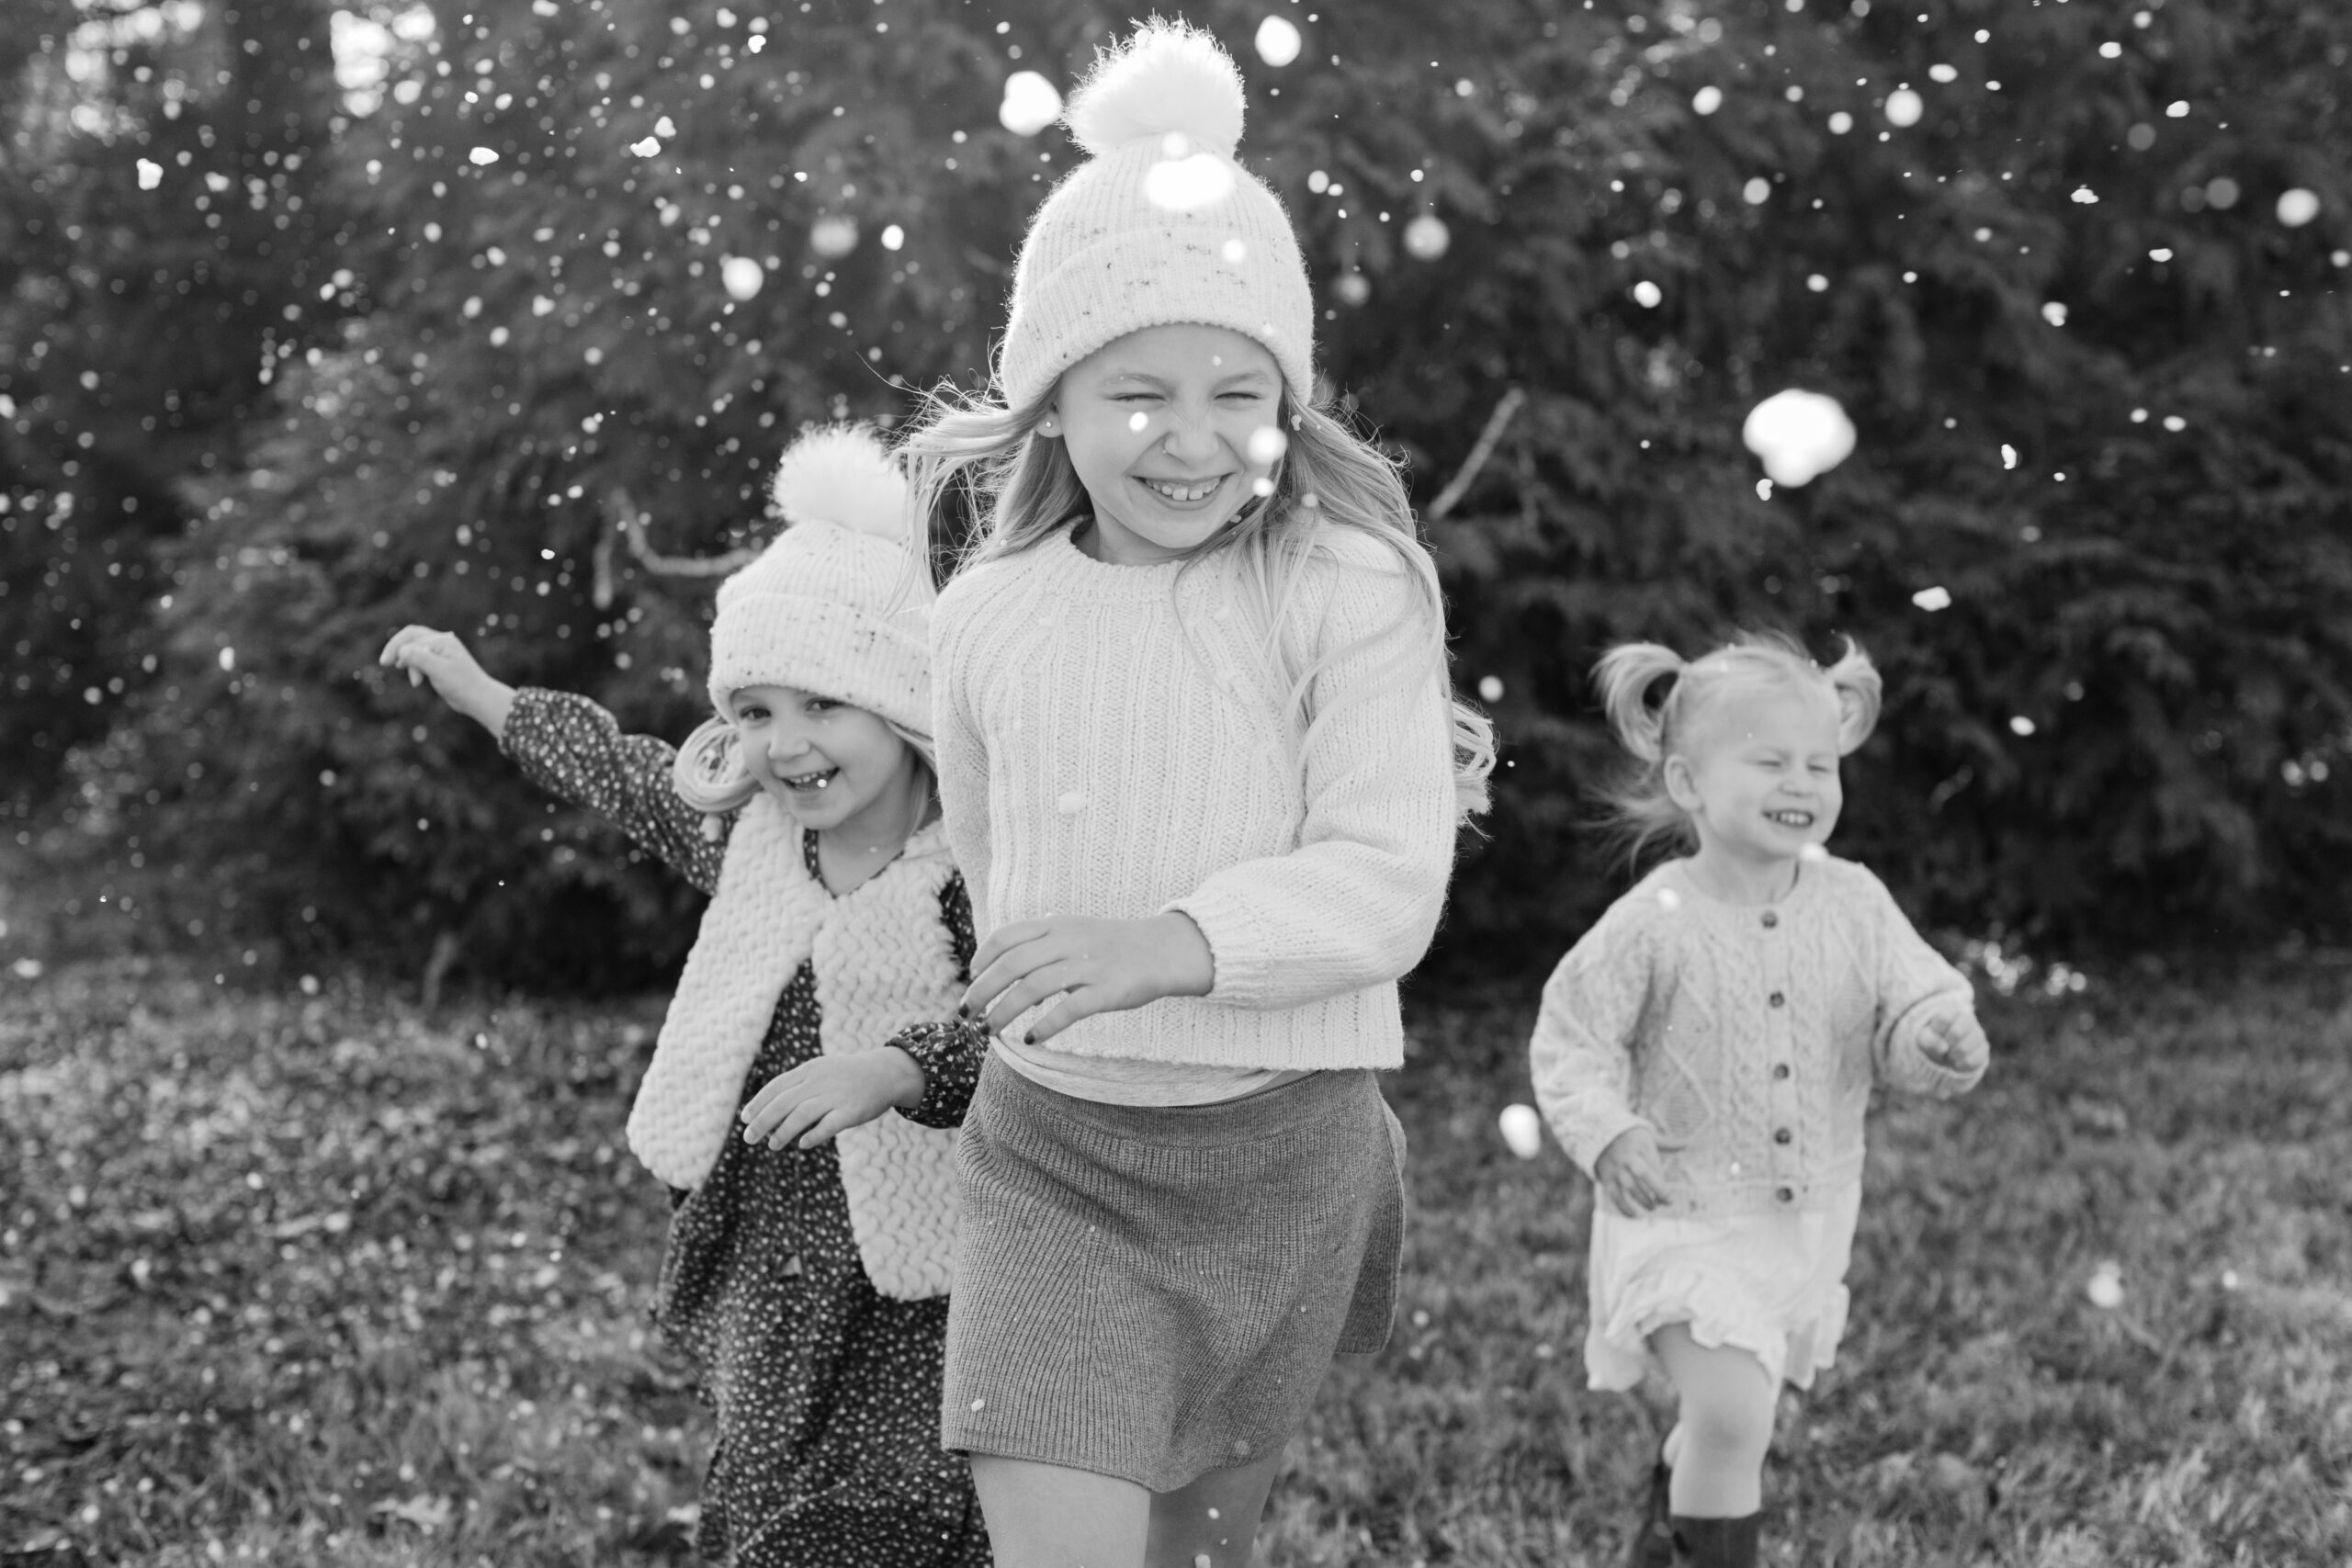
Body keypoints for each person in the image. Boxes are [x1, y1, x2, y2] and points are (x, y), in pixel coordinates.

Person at [891, 18, 1494, 1568]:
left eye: (1241, 391)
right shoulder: (985, 618)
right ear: (1053, 402)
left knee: (1197, 1543)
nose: (1193, 438)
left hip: (1283, 1151)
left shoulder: (1346, 583)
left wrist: (1170, 941)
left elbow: (1384, 872)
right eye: (1138, 390)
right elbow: (980, 836)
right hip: (1057, 1153)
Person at [379, 425, 989, 1568]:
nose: (786, 746)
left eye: (821, 706)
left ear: (903, 710)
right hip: (770, 1237)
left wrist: (899, 1068)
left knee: (911, 1490)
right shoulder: (748, 837)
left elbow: (1008, 1031)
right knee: (763, 1468)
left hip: (924, 1253)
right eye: (754, 712)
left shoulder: (965, 873)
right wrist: (483, 694)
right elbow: (618, 767)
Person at [1527, 632, 1991, 1568]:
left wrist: (1935, 1038)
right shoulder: (1652, 921)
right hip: (1678, 1220)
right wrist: (1608, 1131)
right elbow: (1571, 1039)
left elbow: (1915, 1005)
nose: (1803, 781)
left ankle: (1667, 1526)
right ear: (1691, 783)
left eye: (1819, 763)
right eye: (1771, 759)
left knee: (1735, 1417)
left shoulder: (1855, 903)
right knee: (1737, 1413)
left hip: (1802, 1223)